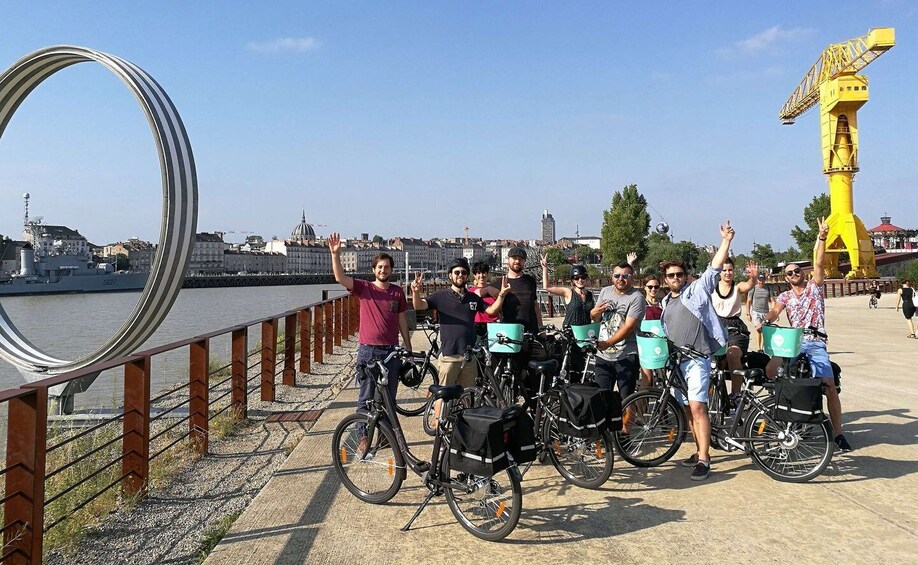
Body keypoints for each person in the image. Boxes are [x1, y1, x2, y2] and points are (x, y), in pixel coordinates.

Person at [758, 217, 851, 452]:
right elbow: (774, 312)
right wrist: (764, 321)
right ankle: (777, 414)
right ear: (785, 278)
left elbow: (819, 264)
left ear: (802, 273)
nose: (794, 274)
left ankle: (838, 433)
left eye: (797, 270)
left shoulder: (814, 287)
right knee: (771, 370)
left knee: (828, 384)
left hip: (816, 342)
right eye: (789, 273)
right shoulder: (785, 297)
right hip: (794, 342)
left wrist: (822, 237)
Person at [660, 221, 734, 481]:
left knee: (697, 406)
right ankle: (700, 450)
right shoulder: (664, 301)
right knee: (686, 409)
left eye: (679, 274)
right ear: (665, 279)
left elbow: (714, 268)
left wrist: (725, 242)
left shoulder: (696, 291)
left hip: (697, 359)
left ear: (685, 276)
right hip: (676, 363)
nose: (676, 278)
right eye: (671, 275)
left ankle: (704, 459)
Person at [327, 233, 412, 422]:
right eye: (380, 267)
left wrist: (408, 345)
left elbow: (402, 320)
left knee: (389, 398)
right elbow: (340, 278)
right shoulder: (364, 287)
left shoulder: (397, 292)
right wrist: (335, 254)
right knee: (365, 398)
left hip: (391, 352)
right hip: (368, 351)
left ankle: (385, 437)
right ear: (374, 270)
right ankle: (363, 437)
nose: (383, 270)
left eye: (387, 267)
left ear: (391, 270)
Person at [411, 258, 509, 388]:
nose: (460, 275)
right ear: (450, 275)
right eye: (456, 272)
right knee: (444, 397)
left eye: (463, 272)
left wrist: (501, 294)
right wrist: (416, 292)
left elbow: (491, 310)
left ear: (467, 275)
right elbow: (419, 306)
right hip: (449, 356)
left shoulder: (473, 298)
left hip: (469, 356)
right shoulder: (440, 296)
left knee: (469, 397)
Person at [590, 261, 645, 403]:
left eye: (625, 276)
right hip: (603, 355)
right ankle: (607, 425)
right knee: (601, 396)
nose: (621, 279)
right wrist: (593, 313)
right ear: (612, 276)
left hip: (626, 355)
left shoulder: (637, 297)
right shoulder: (605, 291)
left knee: (626, 398)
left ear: (632, 277)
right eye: (617, 275)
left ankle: (626, 426)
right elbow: (596, 319)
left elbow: (629, 327)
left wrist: (607, 343)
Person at [712, 258, 758, 396]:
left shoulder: (737, 287)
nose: (727, 273)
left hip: (735, 328)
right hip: (715, 326)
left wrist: (753, 278)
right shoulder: (711, 287)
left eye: (730, 270)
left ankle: (736, 394)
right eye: (724, 270)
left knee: (732, 355)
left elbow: (748, 285)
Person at [638, 275, 663, 387]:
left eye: (656, 287)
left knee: (664, 379)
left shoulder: (663, 304)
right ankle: (642, 404)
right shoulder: (641, 304)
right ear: (644, 287)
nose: (653, 289)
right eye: (650, 286)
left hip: (660, 344)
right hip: (646, 345)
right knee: (648, 379)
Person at [469, 261, 499, 340]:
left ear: (487, 274)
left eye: (484, 273)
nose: (481, 276)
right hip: (476, 325)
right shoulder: (470, 291)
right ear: (474, 275)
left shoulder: (494, 290)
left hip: (492, 324)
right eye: (478, 273)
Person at [746, 273, 774, 351]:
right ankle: (758, 348)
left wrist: (774, 312)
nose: (761, 282)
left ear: (765, 280)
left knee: (764, 330)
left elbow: (772, 300)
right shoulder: (753, 288)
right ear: (757, 280)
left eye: (762, 280)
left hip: (766, 312)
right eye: (759, 280)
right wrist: (748, 313)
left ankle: (762, 348)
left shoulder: (768, 288)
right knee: (758, 329)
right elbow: (748, 301)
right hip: (756, 312)